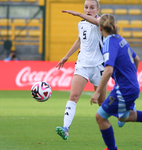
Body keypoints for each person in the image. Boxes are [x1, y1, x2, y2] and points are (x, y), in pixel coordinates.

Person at [90, 14, 142, 150]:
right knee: (124, 117)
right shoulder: (120, 39)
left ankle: (112, 148)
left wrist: (97, 92)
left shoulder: (108, 43)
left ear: (100, 29)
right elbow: (137, 59)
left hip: (124, 88)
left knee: (100, 117)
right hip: (131, 86)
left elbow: (108, 71)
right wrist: (130, 78)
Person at [55, 0, 107, 140]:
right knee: (74, 96)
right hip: (82, 65)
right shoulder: (81, 24)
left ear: (97, 9)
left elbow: (97, 23)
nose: (88, 10)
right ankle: (65, 128)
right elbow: (79, 40)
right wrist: (66, 56)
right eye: (86, 7)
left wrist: (78, 14)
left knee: (102, 102)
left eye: (92, 7)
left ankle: (119, 116)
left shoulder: (101, 21)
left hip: (99, 67)